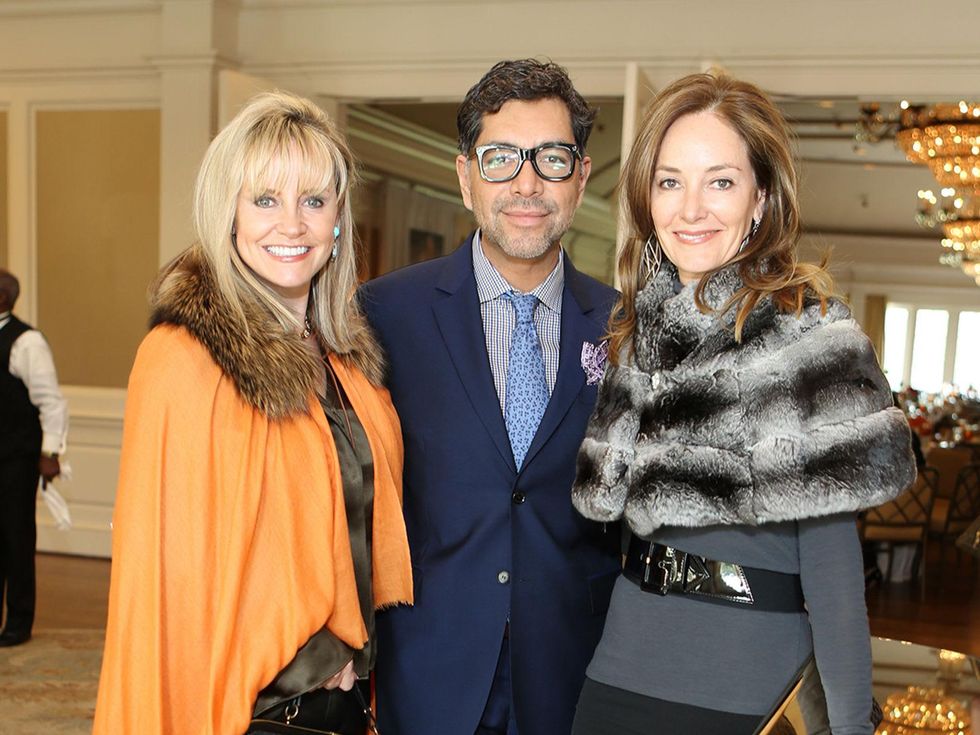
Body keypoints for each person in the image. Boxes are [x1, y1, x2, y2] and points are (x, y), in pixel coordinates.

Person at [570, 73, 916, 735]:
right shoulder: (635, 339)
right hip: (615, 682)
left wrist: (848, 726)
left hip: (744, 696)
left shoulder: (810, 345)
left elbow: (835, 577)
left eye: (720, 181)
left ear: (760, 198)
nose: (691, 208)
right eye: (670, 181)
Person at [92, 91, 413, 735]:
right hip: (253, 714)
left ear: (338, 221)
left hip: (349, 707)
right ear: (228, 214)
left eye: (313, 201)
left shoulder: (347, 363)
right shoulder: (184, 359)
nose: (290, 225)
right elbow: (164, 586)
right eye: (265, 199)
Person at [360, 59, 621, 735]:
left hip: (576, 676)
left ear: (582, 177)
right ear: (465, 177)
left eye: (552, 159)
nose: (527, 183)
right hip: (427, 672)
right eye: (501, 158)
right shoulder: (385, 314)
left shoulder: (627, 328)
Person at [0, 269, 67, 648]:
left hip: (16, 458)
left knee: (16, 539)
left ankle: (19, 623)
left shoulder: (26, 342)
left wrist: (50, 453)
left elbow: (51, 402)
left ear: (4, 298)